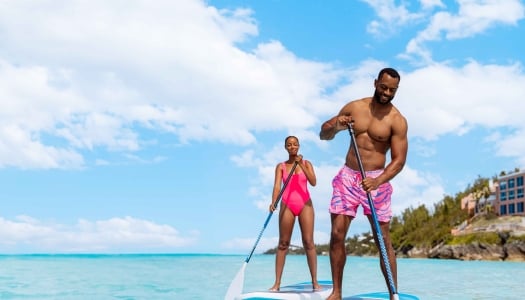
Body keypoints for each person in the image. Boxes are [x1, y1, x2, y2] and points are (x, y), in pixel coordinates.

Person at [319, 67, 408, 300]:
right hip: (348, 178)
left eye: (393, 90)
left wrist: (378, 181)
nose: (387, 92)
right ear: (375, 82)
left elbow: (399, 161)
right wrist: (336, 126)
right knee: (337, 235)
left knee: (382, 240)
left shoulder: (397, 121)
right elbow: (323, 134)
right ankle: (336, 292)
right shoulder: (354, 107)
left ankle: (393, 294)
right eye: (384, 87)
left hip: (377, 181)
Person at [268, 136, 321, 292]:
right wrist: (273, 202)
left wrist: (300, 164)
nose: (292, 147)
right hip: (287, 204)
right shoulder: (281, 166)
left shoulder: (306, 163)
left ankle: (315, 282)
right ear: (286, 148)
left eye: (295, 144)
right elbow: (277, 186)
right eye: (289, 145)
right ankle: (277, 284)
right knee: (283, 243)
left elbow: (313, 182)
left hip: (305, 204)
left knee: (308, 242)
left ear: (298, 146)